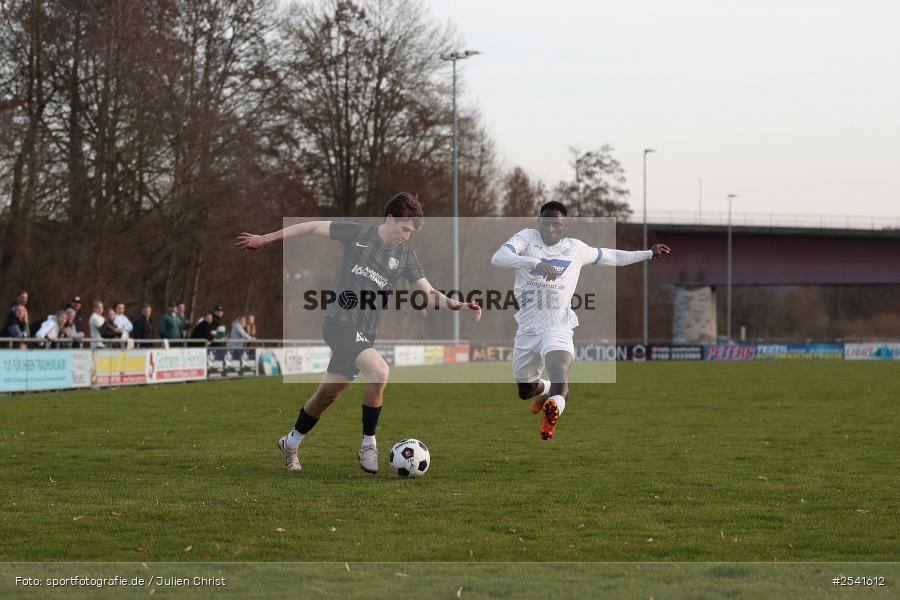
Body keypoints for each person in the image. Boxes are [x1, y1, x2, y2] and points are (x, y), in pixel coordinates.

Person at [237, 192, 481, 474]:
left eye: (411, 232)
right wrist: (265, 239)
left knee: (326, 396)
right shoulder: (356, 233)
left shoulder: (405, 256)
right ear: (390, 219)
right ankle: (368, 444)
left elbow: (428, 294)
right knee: (379, 371)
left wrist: (459, 304)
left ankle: (290, 442)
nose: (406, 236)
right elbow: (311, 227)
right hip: (339, 323)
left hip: (366, 332)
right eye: (404, 229)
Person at [490, 201, 670, 440]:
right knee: (526, 390)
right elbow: (499, 258)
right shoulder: (527, 238)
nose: (550, 229)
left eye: (556, 224)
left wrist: (647, 253)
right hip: (527, 329)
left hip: (558, 327)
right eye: (545, 223)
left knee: (559, 370)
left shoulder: (575, 249)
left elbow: (611, 256)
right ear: (538, 222)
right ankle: (543, 391)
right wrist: (535, 262)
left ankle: (553, 411)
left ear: (565, 226)